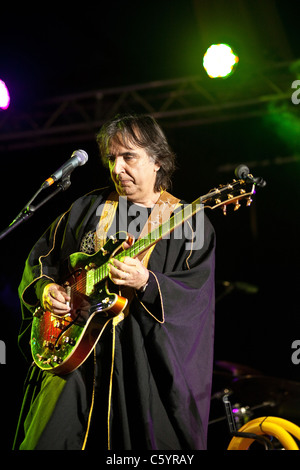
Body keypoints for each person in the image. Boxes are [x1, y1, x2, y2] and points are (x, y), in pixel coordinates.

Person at [14, 113, 215, 450]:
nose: (117, 168)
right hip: (72, 356)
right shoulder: (86, 208)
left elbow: (196, 298)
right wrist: (46, 289)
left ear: (157, 161)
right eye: (112, 158)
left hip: (138, 364)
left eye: (129, 157)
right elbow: (42, 258)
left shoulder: (188, 222)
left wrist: (147, 282)